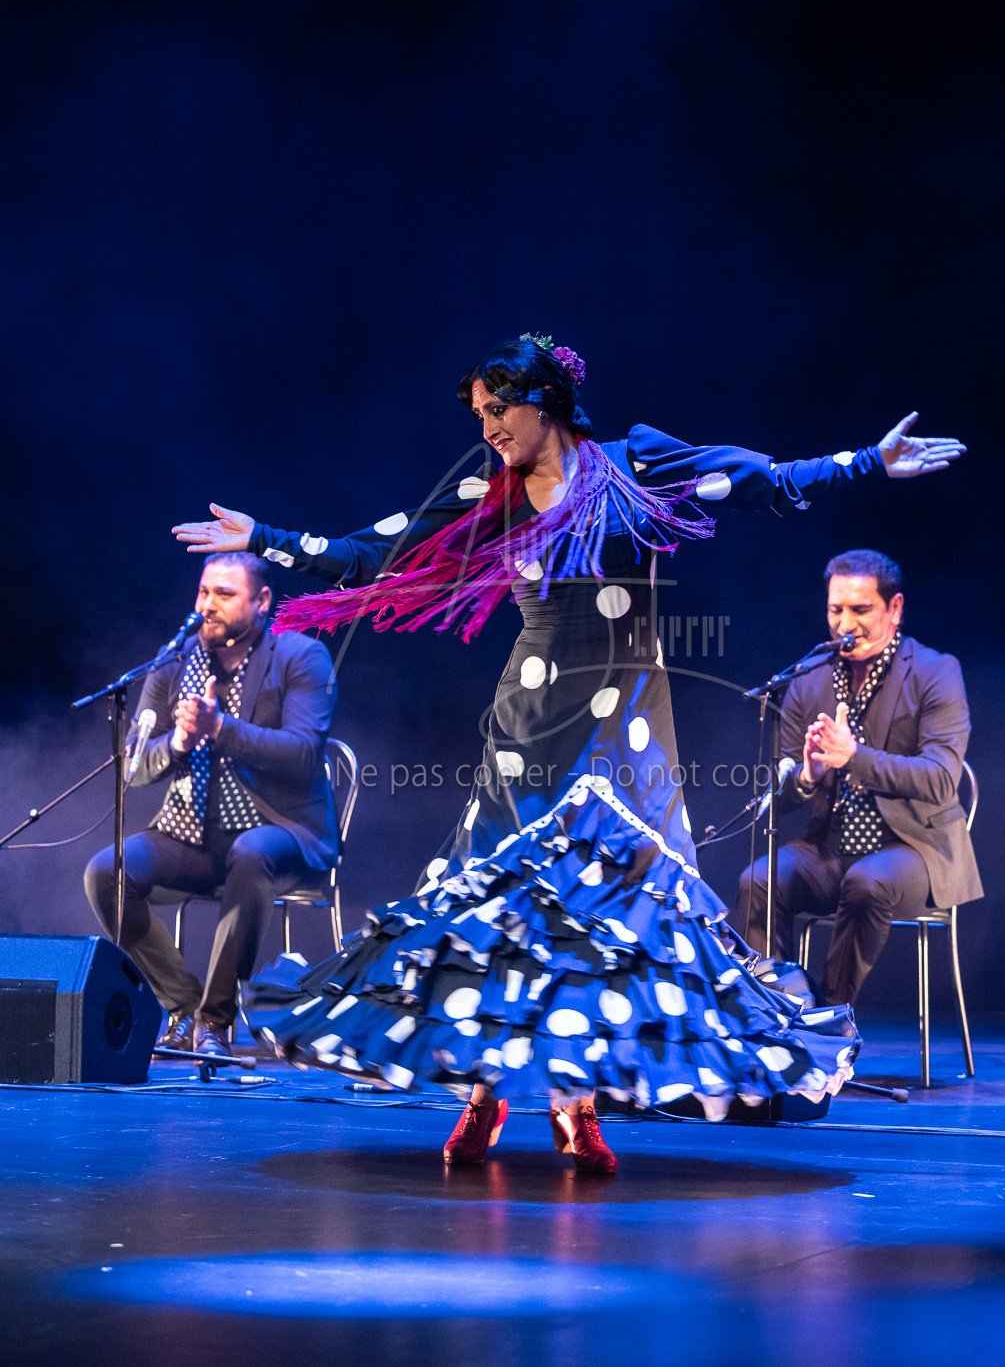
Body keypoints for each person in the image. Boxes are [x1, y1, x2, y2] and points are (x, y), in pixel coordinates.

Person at [172, 336, 964, 1171]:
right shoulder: (489, 497)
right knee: (508, 909)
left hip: (625, 718)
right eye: (477, 415)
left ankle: (574, 1103)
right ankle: (485, 1095)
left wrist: (865, 462)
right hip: (530, 719)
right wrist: (267, 536)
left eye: (497, 410)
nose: (487, 429)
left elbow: (756, 478)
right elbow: (378, 552)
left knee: (607, 912)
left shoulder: (631, 464)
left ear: (543, 401)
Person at [84, 554, 339, 1058]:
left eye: (225, 593)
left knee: (252, 851)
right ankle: (182, 1008)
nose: (208, 604)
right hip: (192, 835)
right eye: (204, 592)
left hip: (283, 832)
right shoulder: (173, 663)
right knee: (106, 872)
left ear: (262, 601)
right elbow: (135, 767)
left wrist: (221, 728)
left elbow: (304, 752)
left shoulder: (301, 656)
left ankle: (216, 1022)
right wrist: (177, 742)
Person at [737, 549, 981, 1006]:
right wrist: (807, 776)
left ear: (895, 608)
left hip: (915, 848)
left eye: (861, 609)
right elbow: (781, 796)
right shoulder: (808, 680)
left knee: (868, 881)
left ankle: (832, 1019)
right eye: (836, 610)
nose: (845, 624)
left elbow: (940, 779)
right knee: (759, 880)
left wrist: (854, 757)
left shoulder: (935, 672)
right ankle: (775, 1014)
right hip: (830, 847)